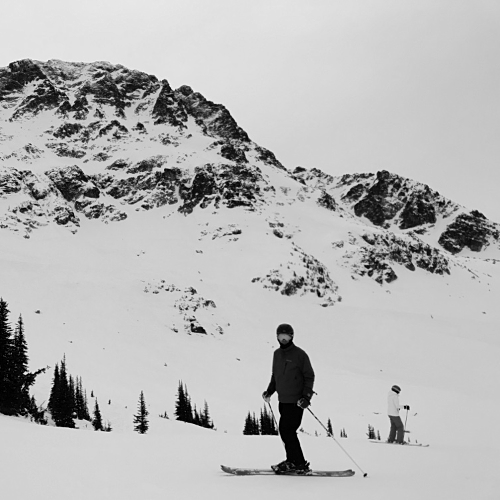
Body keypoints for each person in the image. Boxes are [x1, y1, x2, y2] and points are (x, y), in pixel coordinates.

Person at [262, 323, 315, 474]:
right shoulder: (277, 354)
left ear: (292, 337)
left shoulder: (300, 355)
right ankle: (292, 461)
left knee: (287, 430)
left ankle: (299, 463)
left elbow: (309, 376)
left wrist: (306, 397)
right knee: (286, 432)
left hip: (296, 402)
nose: (283, 340)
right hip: (283, 400)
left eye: (286, 337)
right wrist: (269, 391)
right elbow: (276, 375)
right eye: (280, 336)